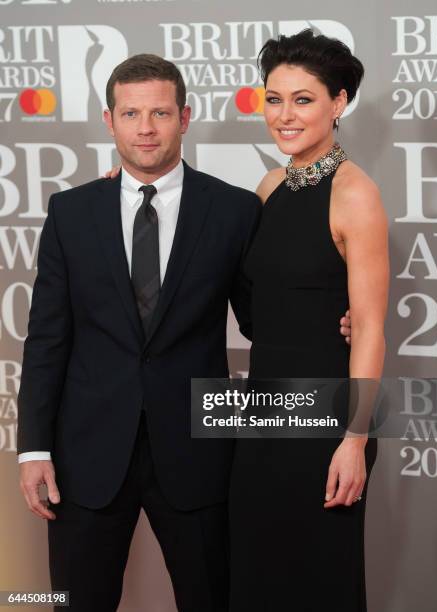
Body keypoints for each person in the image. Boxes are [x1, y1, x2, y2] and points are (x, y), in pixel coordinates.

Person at [17, 53, 351, 612]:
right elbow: (47, 338)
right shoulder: (71, 212)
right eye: (131, 114)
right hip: (87, 456)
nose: (145, 128)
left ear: (185, 117)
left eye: (160, 113)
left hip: (198, 454)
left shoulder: (234, 210)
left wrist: (335, 320)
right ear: (109, 120)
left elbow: (263, 318)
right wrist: (33, 448)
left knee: (212, 599)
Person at [229, 30, 389, 612]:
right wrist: (124, 191)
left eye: (303, 99)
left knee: (319, 577)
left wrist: (355, 438)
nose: (284, 114)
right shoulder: (269, 186)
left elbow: (369, 327)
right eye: (274, 98)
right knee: (256, 574)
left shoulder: (355, 195)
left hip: (326, 418)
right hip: (262, 411)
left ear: (338, 103)